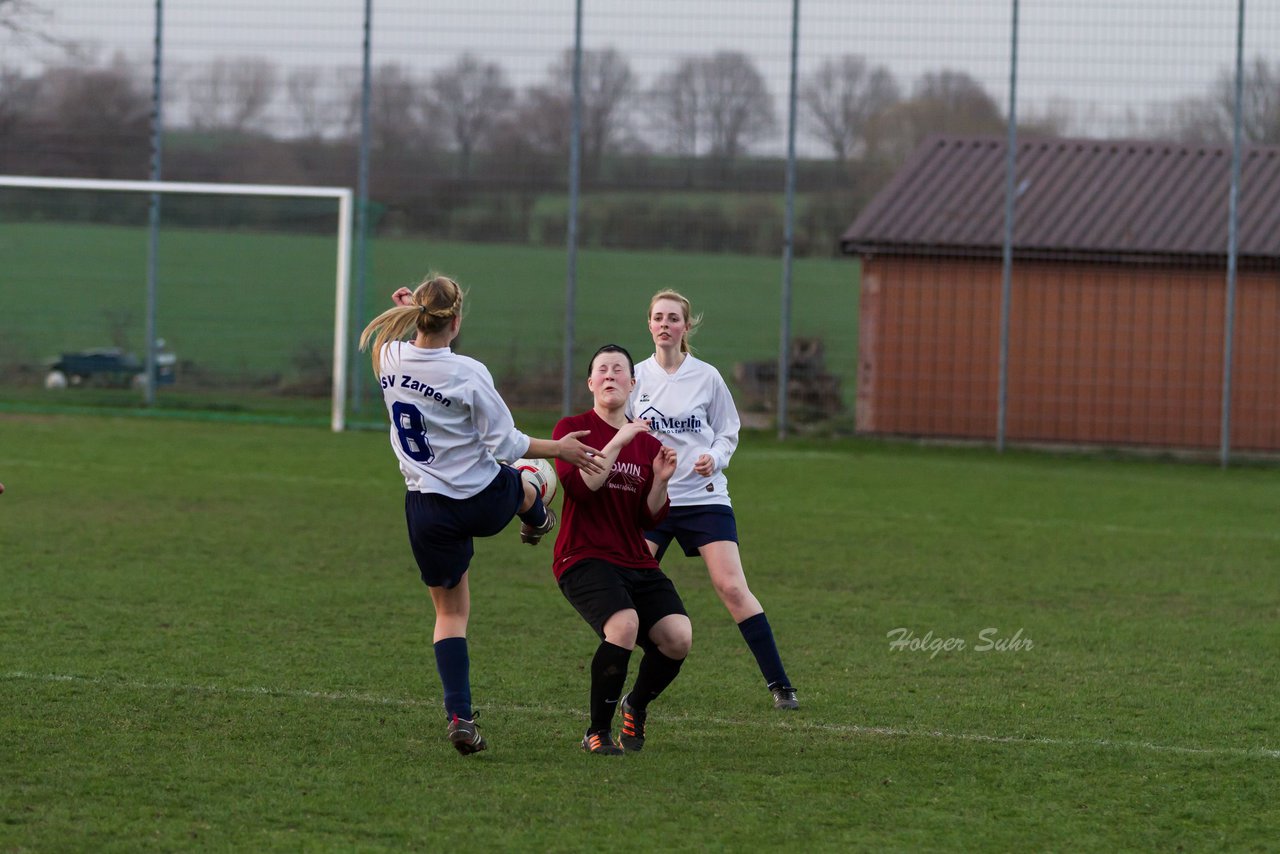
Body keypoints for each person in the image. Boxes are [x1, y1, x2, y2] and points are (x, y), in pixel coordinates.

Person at [360, 274, 605, 757]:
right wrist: (561, 449)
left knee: (450, 615)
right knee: (528, 473)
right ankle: (535, 516)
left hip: (426, 510)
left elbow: (413, 344)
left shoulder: (388, 356)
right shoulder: (468, 373)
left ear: (417, 319)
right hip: (482, 499)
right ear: (456, 321)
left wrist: (414, 309)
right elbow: (508, 443)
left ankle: (460, 717)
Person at [630, 289, 799, 711]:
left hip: (705, 499)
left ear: (686, 327)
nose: (665, 324)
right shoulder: (636, 378)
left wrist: (714, 458)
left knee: (731, 587)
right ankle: (654, 659)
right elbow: (620, 433)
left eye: (673, 318)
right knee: (625, 587)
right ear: (649, 325)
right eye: (658, 317)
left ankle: (780, 685)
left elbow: (728, 431)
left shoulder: (706, 377)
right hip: (654, 499)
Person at [552, 344, 691, 756]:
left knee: (678, 637)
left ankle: (636, 705)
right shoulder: (571, 429)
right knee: (625, 626)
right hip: (583, 556)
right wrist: (617, 440)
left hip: (634, 558)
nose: (610, 375)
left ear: (633, 384)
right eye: (602, 370)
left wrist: (661, 480)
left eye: (619, 370)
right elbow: (581, 487)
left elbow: (649, 519)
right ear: (591, 383)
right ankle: (597, 730)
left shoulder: (646, 445)